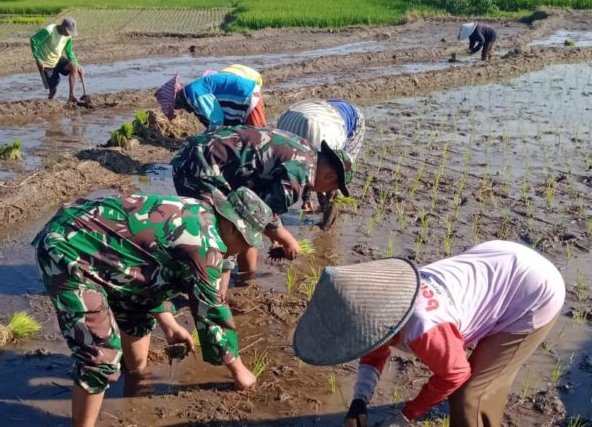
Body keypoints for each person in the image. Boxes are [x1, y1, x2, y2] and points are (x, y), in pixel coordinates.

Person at [33, 188, 272, 427]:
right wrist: (239, 371)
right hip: (67, 248)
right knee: (100, 357)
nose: (243, 250)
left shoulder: (201, 214)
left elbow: (151, 266)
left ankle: (133, 386)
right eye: (246, 242)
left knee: (137, 321)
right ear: (233, 227)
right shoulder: (204, 245)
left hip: (106, 250)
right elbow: (212, 312)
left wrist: (169, 324)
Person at [292, 240, 565, 427]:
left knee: (470, 395)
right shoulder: (380, 304)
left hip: (534, 291)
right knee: (482, 375)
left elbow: (454, 374)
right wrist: (359, 402)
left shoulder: (423, 327)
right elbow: (374, 353)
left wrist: (405, 416)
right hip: (498, 258)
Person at [171, 125, 354, 293]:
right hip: (200, 166)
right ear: (330, 177)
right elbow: (264, 217)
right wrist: (287, 240)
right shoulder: (301, 174)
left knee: (243, 227)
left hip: (205, 154)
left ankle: (245, 281)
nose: (324, 192)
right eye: (331, 188)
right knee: (222, 239)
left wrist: (274, 235)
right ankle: (214, 301)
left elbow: (254, 215)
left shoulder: (306, 150)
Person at [276, 99, 365, 226]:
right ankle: (323, 207)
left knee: (336, 178)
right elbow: (298, 171)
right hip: (309, 110)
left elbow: (328, 174)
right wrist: (306, 198)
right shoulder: (284, 139)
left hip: (349, 118)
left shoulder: (333, 139)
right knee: (320, 176)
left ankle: (328, 218)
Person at [156, 71, 265, 131]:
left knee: (257, 136)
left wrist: (209, 138)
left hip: (247, 96)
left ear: (176, 100)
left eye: (175, 106)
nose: (178, 109)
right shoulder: (192, 91)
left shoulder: (194, 94)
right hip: (246, 93)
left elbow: (217, 119)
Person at [31, 18, 87, 104]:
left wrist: (77, 64)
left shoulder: (68, 36)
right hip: (46, 63)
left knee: (74, 66)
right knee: (53, 91)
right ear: (63, 28)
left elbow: (69, 51)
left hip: (58, 59)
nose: (69, 34)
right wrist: (38, 59)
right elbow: (34, 40)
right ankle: (49, 103)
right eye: (68, 32)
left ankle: (71, 96)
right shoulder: (49, 30)